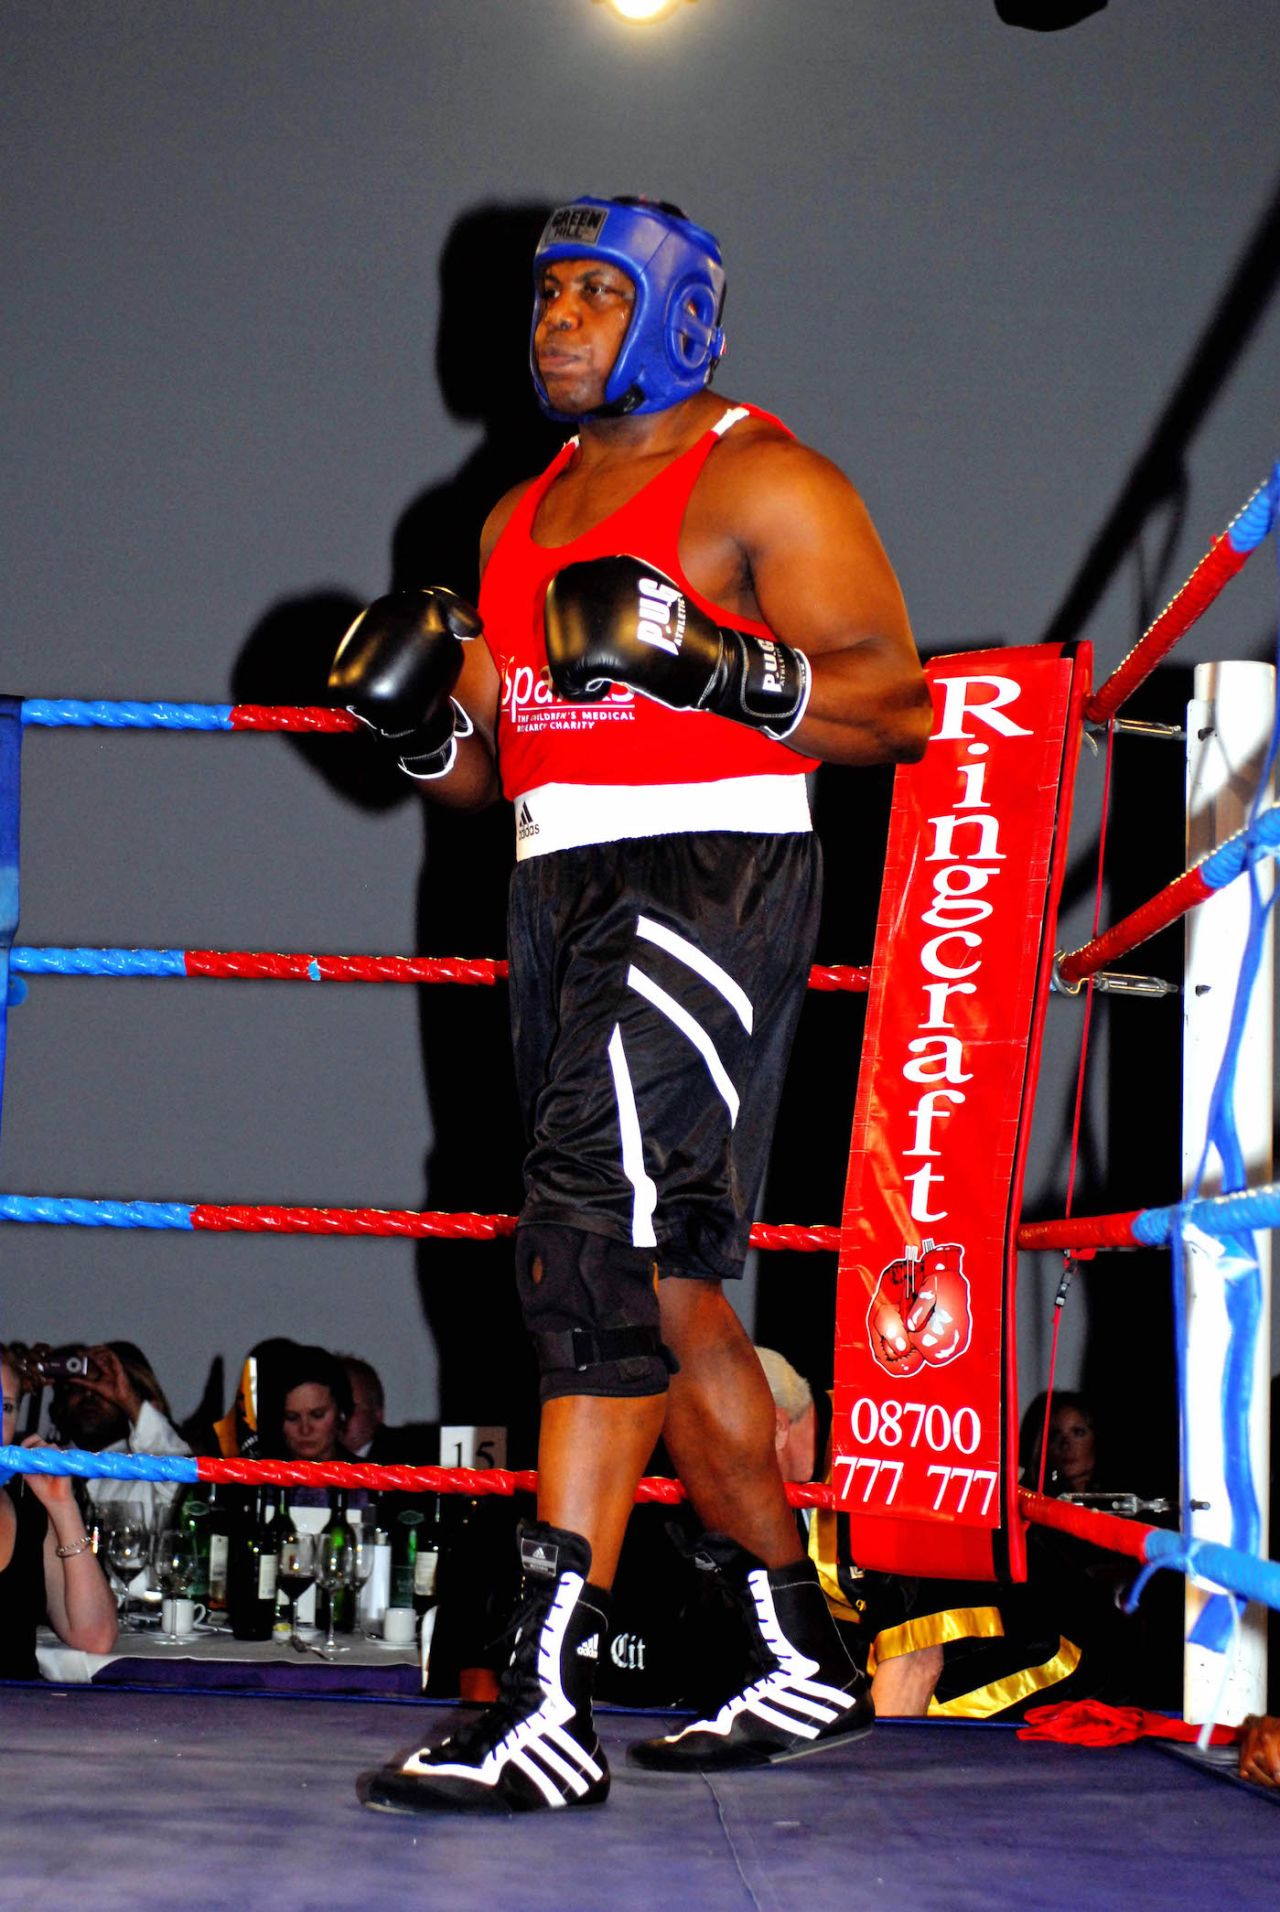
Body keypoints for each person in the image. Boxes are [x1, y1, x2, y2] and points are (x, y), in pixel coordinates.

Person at [330, 193, 932, 1814]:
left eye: (597, 292)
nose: (559, 320)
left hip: (708, 874)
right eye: (548, 296)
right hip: (553, 883)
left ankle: (536, 1693)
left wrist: (718, 667)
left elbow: (895, 696)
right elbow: (486, 775)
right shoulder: (512, 519)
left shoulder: (761, 476)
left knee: (583, 1238)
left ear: (678, 314)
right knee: (668, 1290)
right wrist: (410, 726)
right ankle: (791, 1647)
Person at [1, 1347, 117, 1678]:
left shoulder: (28, 1507)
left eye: (7, 1408)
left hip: (24, 1721)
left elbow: (95, 1636)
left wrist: (61, 1504)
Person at [41, 1340, 193, 1529]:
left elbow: (182, 1479)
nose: (89, 1397)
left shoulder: (145, 1472)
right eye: (78, 1387)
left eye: (101, 1387)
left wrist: (131, 1402)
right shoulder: (43, 1464)